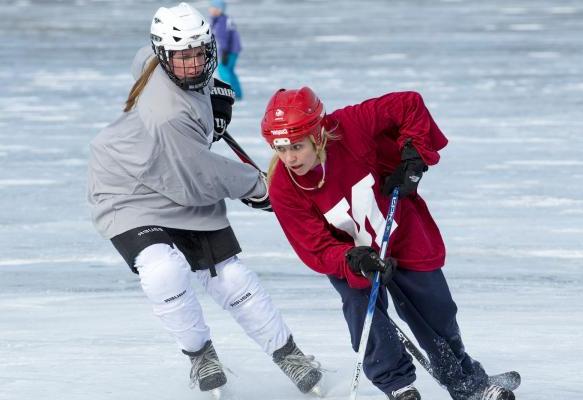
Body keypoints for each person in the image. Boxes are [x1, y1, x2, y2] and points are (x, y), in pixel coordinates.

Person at [86, 4, 322, 397]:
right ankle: (200, 356)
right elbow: (197, 176)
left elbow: (141, 63)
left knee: (230, 277)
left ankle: (290, 354)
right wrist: (260, 188)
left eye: (200, 53)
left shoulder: (157, 61)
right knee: (163, 269)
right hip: (127, 188)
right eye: (184, 57)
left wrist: (211, 99)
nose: (194, 64)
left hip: (173, 172)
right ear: (164, 54)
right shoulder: (167, 115)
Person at [259, 87, 519, 400]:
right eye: (280, 148)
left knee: (436, 311)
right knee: (365, 315)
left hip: (400, 232)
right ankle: (398, 386)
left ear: (318, 134)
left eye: (296, 147)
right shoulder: (283, 186)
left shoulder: (351, 125)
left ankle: (467, 383)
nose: (288, 158)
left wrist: (413, 154)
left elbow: (409, 105)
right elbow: (313, 246)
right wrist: (352, 259)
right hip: (354, 259)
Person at [208, 0, 243, 99]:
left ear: (218, 10)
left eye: (213, 7)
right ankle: (238, 94)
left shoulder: (221, 21)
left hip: (228, 51)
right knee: (230, 71)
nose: (210, 9)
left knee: (224, 71)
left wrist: (224, 52)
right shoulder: (221, 19)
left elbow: (223, 37)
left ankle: (232, 93)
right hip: (232, 50)